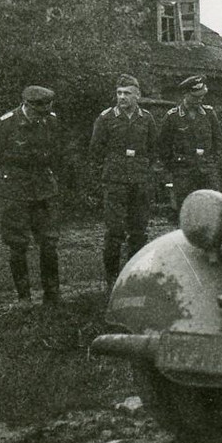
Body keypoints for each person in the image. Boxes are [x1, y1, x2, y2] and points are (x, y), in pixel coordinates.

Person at [0, 85, 64, 306]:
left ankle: (52, 294)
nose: (42, 116)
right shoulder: (6, 123)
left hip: (43, 188)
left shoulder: (51, 121)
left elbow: (56, 152)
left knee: (49, 242)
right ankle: (24, 297)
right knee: (17, 243)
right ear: (27, 105)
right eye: (38, 111)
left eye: (47, 110)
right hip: (13, 189)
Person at [89, 74, 159, 286]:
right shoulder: (106, 119)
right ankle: (112, 279)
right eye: (119, 93)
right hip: (115, 181)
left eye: (127, 93)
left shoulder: (146, 118)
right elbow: (95, 151)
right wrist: (104, 176)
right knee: (114, 231)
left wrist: (147, 173)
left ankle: (134, 276)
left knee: (138, 231)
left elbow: (153, 149)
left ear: (137, 95)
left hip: (139, 181)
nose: (122, 97)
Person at [158, 74, 222, 220]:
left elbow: (218, 141)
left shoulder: (209, 114)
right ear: (185, 94)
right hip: (183, 173)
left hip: (207, 171)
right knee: (186, 213)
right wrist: (173, 167)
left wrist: (213, 162)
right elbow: (163, 146)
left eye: (202, 96)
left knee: (210, 211)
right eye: (196, 97)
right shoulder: (172, 117)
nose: (200, 100)